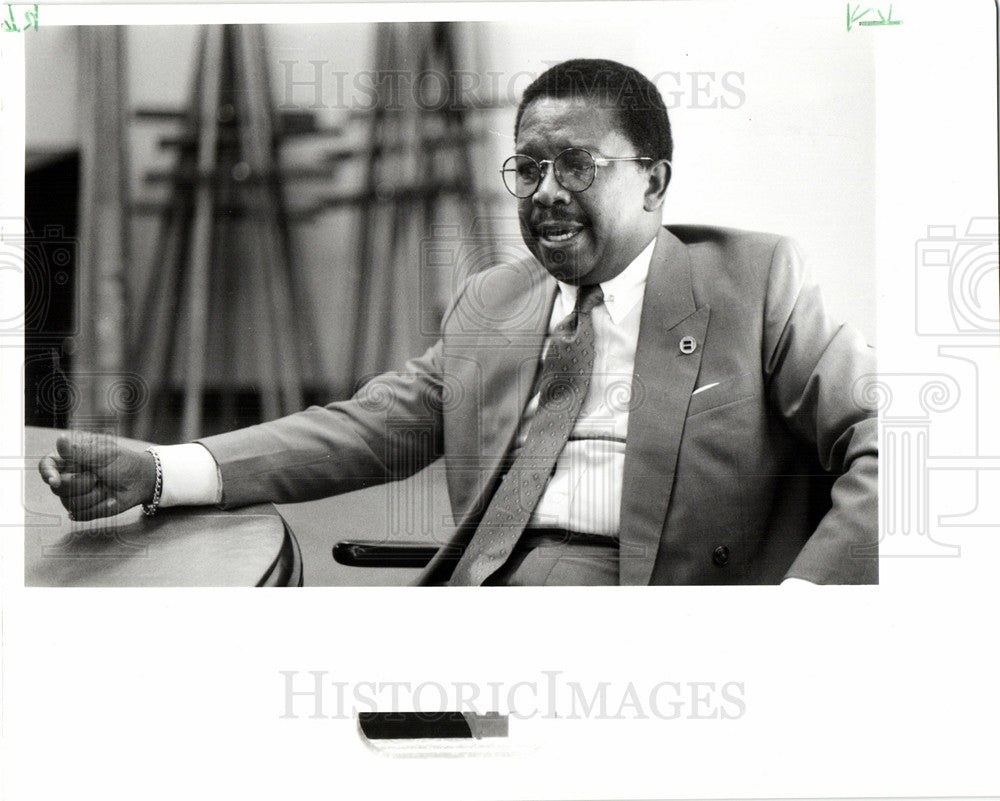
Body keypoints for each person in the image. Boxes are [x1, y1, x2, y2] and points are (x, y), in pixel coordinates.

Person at [38, 58, 878, 585]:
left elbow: (888, 441)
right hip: (479, 593)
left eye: (578, 164)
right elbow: (367, 429)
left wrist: (800, 615)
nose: (546, 190)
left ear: (654, 182)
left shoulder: (755, 280)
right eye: (530, 167)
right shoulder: (494, 301)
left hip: (655, 608)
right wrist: (160, 469)